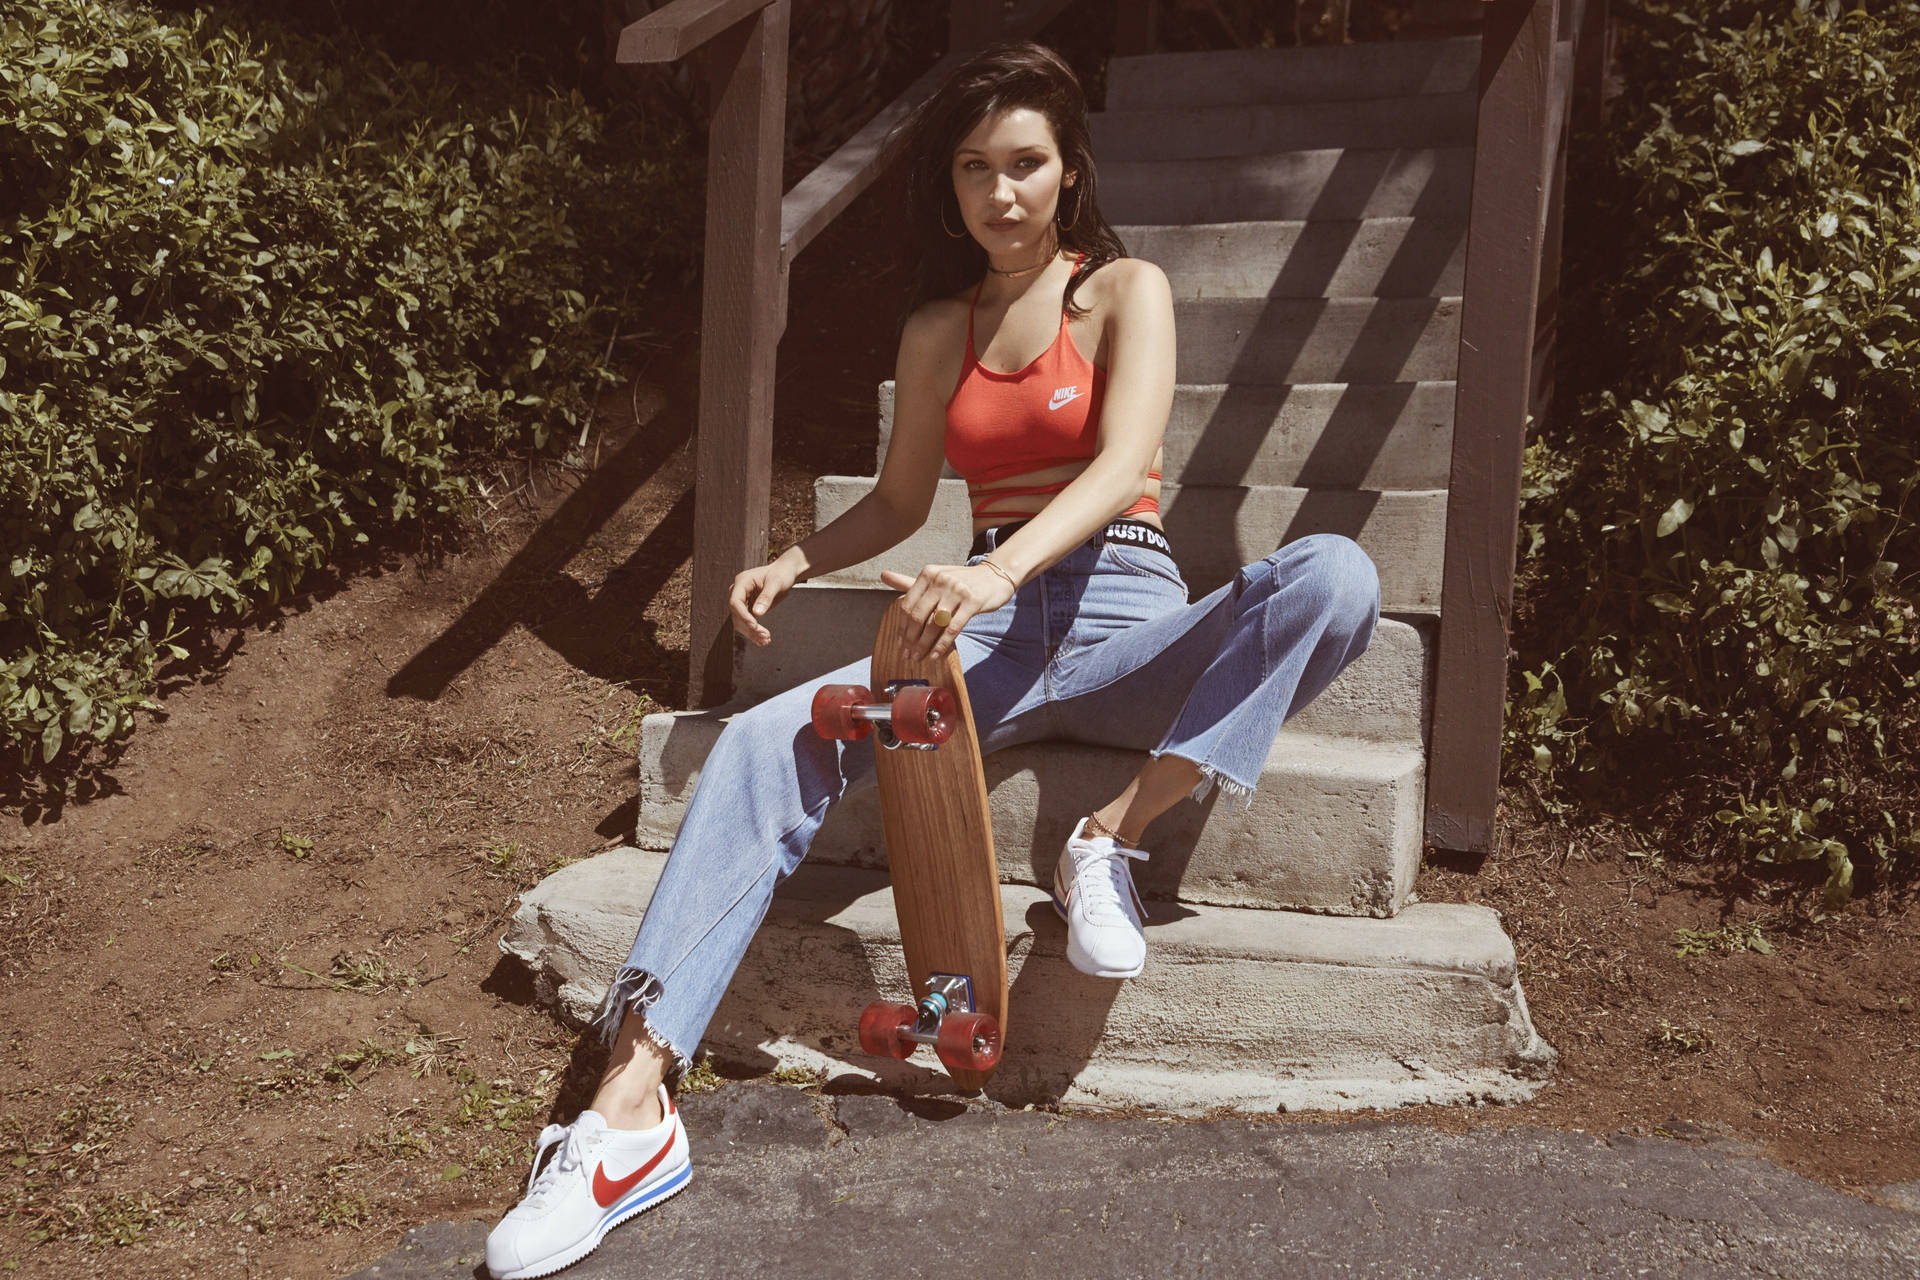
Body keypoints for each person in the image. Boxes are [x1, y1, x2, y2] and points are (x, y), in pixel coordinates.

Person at [482, 41, 1380, 1280]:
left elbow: (1124, 467)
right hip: (993, 638)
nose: (999, 193)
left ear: (1070, 174)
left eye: (1025, 165)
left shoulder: (1124, 290)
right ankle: (629, 1109)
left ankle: (1110, 834)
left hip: (1129, 612)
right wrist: (797, 561)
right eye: (973, 170)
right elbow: (905, 499)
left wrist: (1003, 569)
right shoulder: (933, 327)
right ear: (951, 187)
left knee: (1336, 573)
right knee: (756, 739)